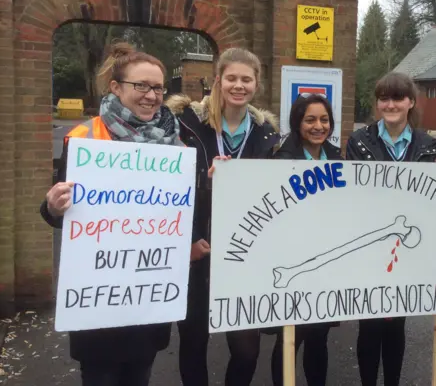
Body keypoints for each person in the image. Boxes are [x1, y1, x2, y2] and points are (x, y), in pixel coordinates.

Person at [40, 42, 180, 386]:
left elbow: (183, 208)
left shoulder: (176, 143)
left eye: (158, 87)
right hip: (98, 297)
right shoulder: (85, 137)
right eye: (141, 86)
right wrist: (53, 207)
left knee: (139, 374)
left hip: (147, 292)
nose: (151, 95)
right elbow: (60, 212)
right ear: (116, 88)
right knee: (100, 376)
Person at [166, 47, 280, 386]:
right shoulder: (185, 125)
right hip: (197, 248)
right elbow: (166, 185)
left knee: (246, 351)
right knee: (194, 343)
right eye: (231, 78)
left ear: (256, 84)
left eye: (247, 79)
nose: (238, 85)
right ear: (218, 80)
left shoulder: (266, 135)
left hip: (244, 254)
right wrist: (204, 181)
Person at [346, 72, 436, 386]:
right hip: (370, 243)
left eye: (398, 98)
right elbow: (350, 193)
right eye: (384, 98)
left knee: (396, 322)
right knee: (370, 323)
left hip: (408, 245)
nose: (390, 104)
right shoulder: (359, 141)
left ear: (410, 102)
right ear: (377, 103)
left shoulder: (428, 144)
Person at [269, 93, 342, 386]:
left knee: (319, 336)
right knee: (290, 336)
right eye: (310, 119)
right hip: (292, 258)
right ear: (297, 123)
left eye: (324, 119)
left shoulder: (338, 157)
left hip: (326, 258)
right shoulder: (281, 159)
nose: (318, 126)